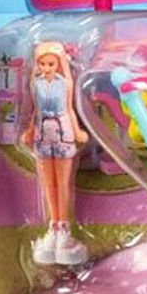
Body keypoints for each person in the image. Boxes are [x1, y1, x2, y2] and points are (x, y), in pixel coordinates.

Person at [22, 41, 89, 265]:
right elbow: (35, 111)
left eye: (51, 63)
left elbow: (69, 109)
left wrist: (77, 131)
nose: (46, 68)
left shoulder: (65, 83)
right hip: (42, 132)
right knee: (48, 184)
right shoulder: (36, 83)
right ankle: (53, 226)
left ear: (59, 63)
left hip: (62, 130)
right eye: (42, 64)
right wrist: (30, 130)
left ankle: (64, 227)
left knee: (62, 183)